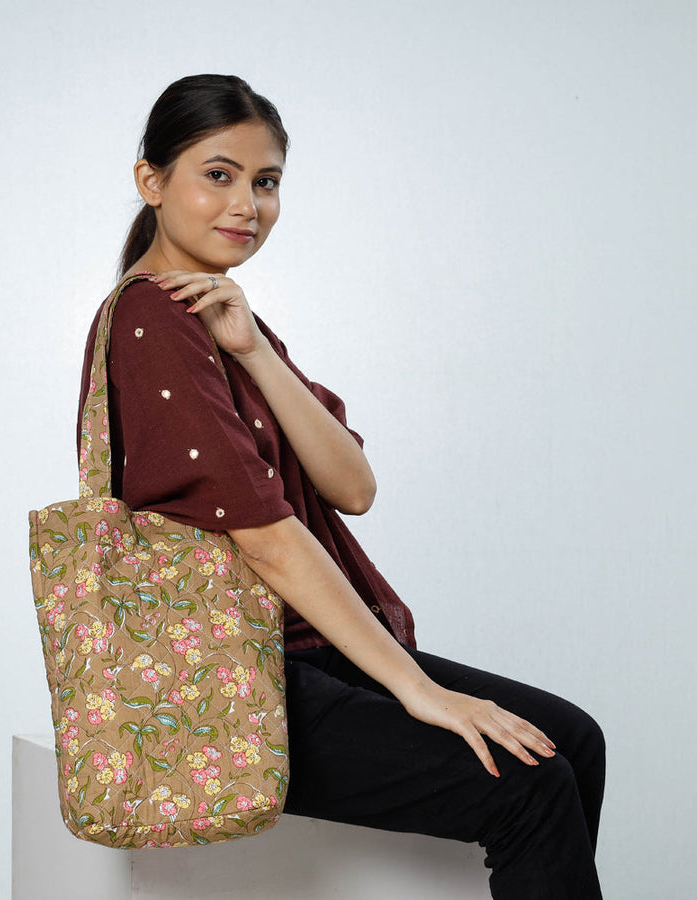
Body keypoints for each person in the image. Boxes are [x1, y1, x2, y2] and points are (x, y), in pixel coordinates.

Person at [77, 74, 605, 900]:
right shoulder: (151, 322)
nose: (247, 205)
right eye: (218, 175)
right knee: (531, 782)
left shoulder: (221, 316)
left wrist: (254, 351)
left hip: (303, 650)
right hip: (235, 678)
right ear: (152, 181)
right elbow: (266, 538)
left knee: (572, 738)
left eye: (266, 181)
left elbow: (352, 487)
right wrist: (420, 692)